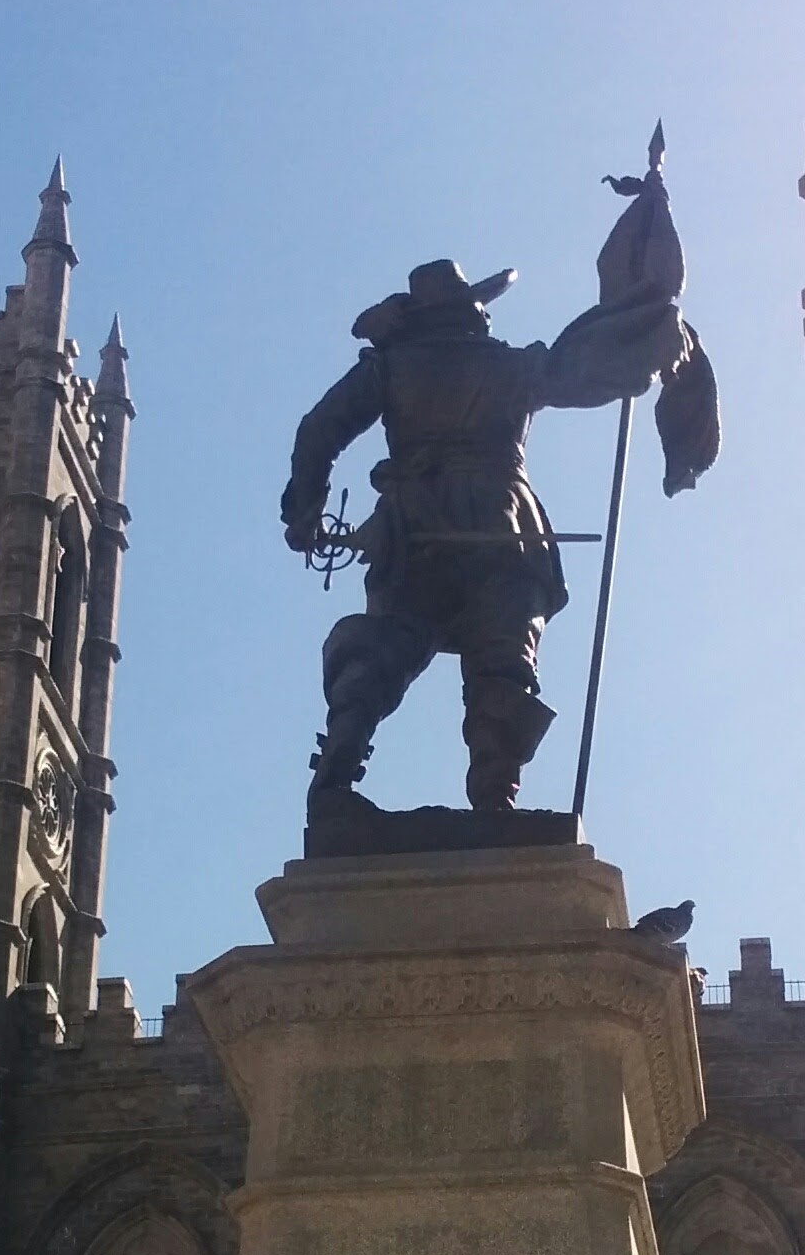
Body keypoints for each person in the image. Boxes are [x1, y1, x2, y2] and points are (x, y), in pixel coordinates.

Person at [282, 150, 715, 819]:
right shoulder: (509, 366)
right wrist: (648, 331)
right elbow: (580, 372)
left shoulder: (390, 370)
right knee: (501, 658)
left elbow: (318, 430)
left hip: (415, 525)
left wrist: (304, 510)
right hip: (499, 526)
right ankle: (495, 798)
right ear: (470, 312)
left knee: (387, 644)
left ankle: (336, 778)